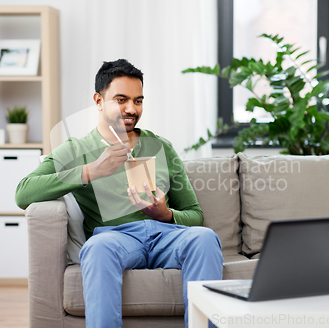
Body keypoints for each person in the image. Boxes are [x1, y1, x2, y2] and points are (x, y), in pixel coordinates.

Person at [15, 59, 223, 328]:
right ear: (99, 100)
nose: (131, 109)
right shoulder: (76, 149)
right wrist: (91, 170)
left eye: (138, 101)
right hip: (115, 239)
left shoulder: (160, 147)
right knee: (97, 249)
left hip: (166, 236)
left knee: (205, 238)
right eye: (121, 99)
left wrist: (166, 214)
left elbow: (195, 215)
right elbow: (23, 193)